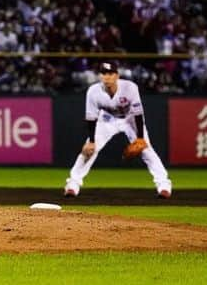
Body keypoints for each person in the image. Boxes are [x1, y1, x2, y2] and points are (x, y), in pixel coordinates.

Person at [64, 60, 172, 199]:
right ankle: (73, 184)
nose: (107, 77)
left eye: (110, 73)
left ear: (117, 75)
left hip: (130, 120)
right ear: (100, 76)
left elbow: (138, 114)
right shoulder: (94, 91)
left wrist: (140, 138)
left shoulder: (130, 87)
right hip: (107, 120)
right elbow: (91, 118)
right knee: (90, 149)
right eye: (104, 73)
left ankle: (164, 185)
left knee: (146, 149)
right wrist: (91, 141)